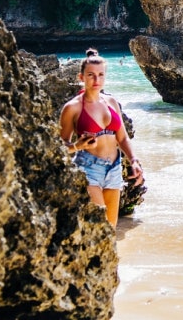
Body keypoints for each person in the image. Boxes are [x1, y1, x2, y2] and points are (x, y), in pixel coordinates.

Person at [60, 48, 144, 226]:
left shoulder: (111, 102)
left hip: (114, 168)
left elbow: (122, 138)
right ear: (81, 77)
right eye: (91, 75)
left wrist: (134, 161)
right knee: (99, 226)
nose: (96, 80)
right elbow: (59, 147)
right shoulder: (72, 107)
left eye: (100, 75)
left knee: (110, 229)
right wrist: (77, 146)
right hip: (89, 168)